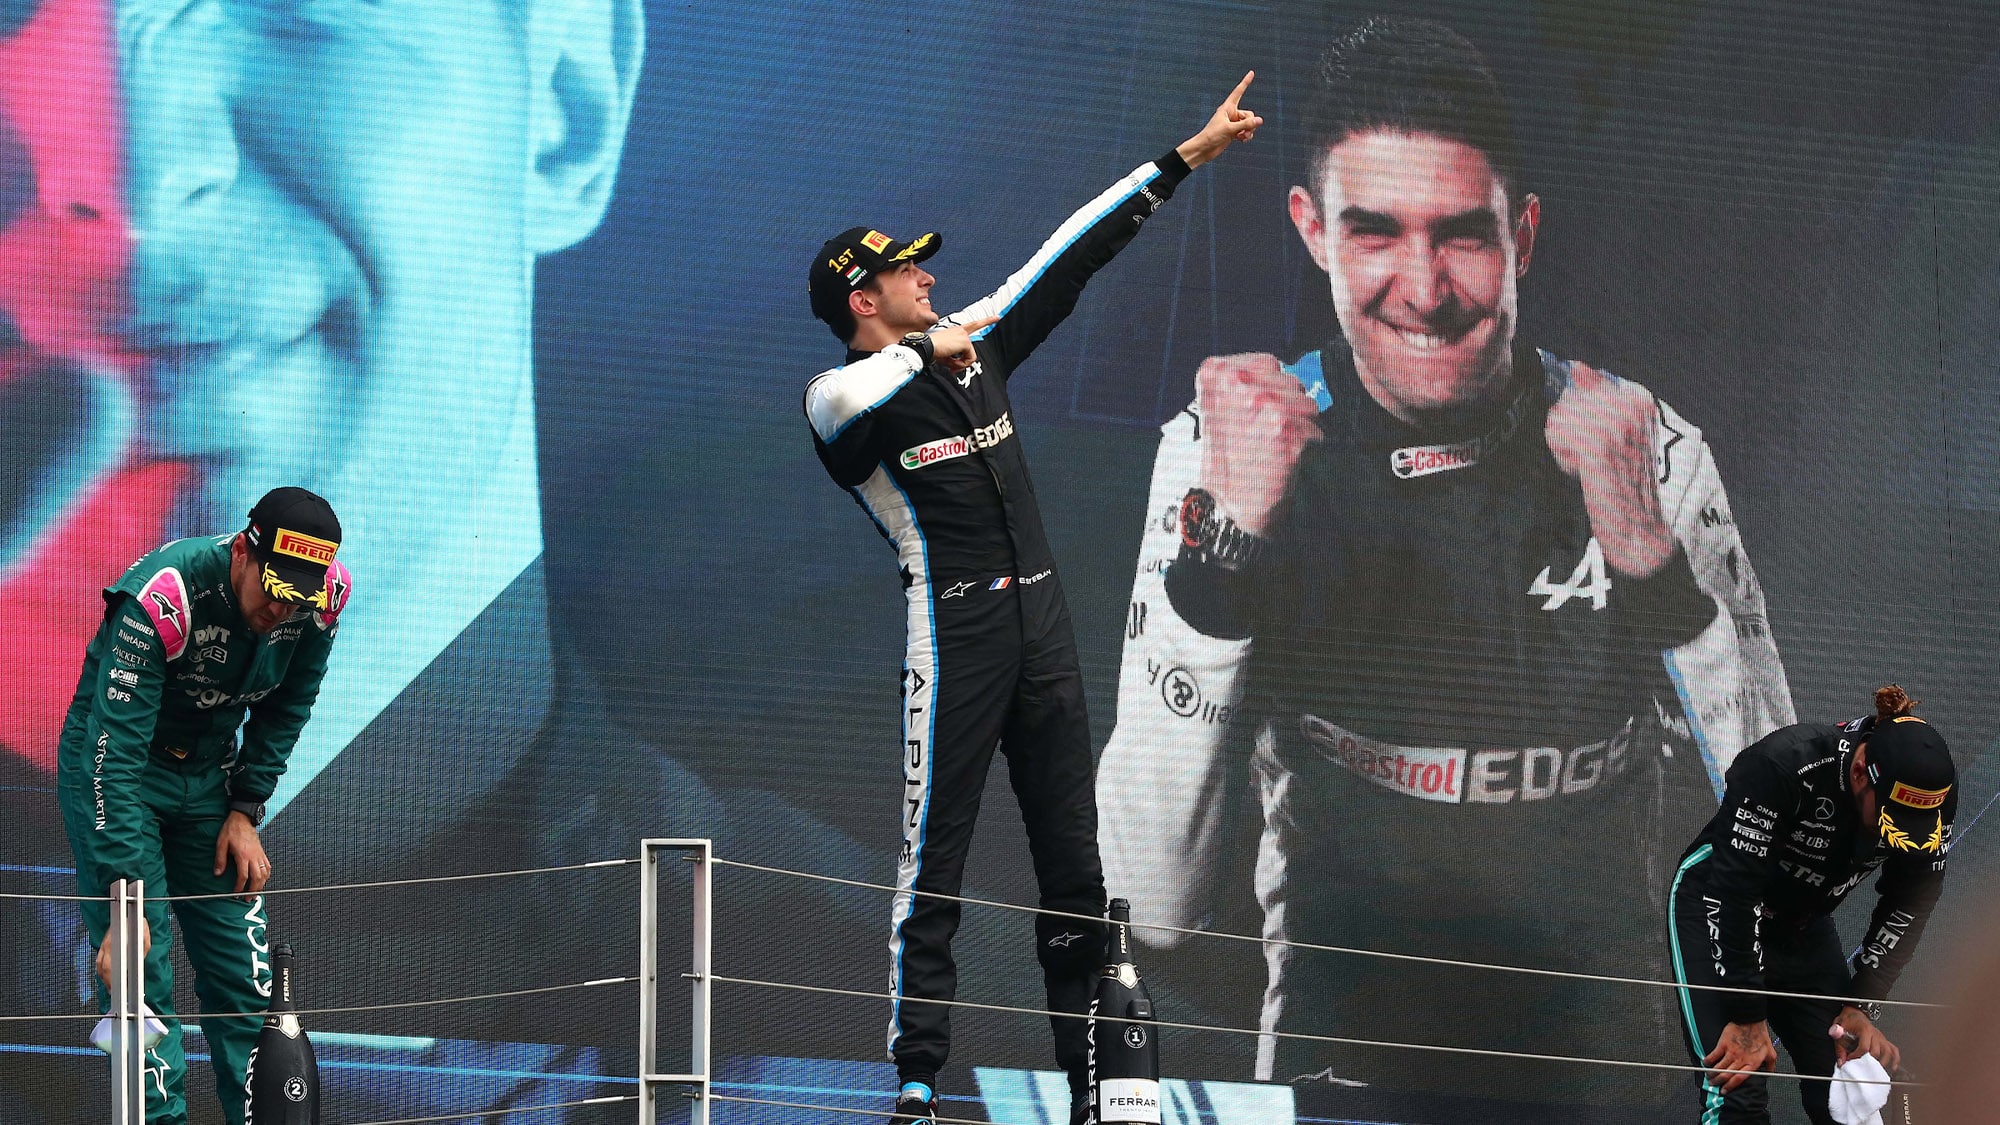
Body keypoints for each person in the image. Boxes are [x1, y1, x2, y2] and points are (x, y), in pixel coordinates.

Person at [1096, 16, 1795, 1107]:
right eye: (1373, 231)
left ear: (1519, 234)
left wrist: (1652, 563)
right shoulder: (1216, 452)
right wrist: (1225, 551)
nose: (1422, 288)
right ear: (1311, 229)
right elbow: (1151, 905)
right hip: (1345, 1072)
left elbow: (1785, 852)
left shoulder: (1648, 452)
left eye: (1459, 235)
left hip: (1604, 1075)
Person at [802, 75, 1263, 1125]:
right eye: (901, 272)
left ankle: (1096, 1090)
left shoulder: (972, 340)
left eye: (920, 264)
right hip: (954, 629)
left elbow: (1068, 255)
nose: (926, 275)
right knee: (937, 862)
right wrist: (928, 347)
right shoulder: (840, 396)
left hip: (1040, 625)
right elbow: (850, 396)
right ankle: (916, 1084)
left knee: (1074, 865)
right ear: (859, 302)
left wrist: (1182, 157)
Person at [55, 486, 351, 1125]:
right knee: (142, 972)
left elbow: (288, 705)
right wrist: (121, 896)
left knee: (245, 980)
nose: (281, 610)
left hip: (211, 781)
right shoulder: (164, 594)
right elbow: (115, 756)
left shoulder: (321, 601)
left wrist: (245, 809)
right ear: (243, 552)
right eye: (272, 589)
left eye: (296, 597)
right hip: (117, 768)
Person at [1671, 685, 1954, 1124]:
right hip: (1718, 905)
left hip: (1803, 926)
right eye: (1890, 820)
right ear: (1861, 772)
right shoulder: (1784, 763)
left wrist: (1861, 1004)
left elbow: (1912, 900)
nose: (1895, 836)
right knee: (1737, 1091)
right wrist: (1746, 1010)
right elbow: (1737, 890)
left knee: (1854, 1091)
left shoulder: (1932, 800)